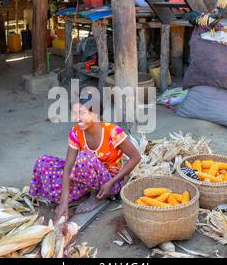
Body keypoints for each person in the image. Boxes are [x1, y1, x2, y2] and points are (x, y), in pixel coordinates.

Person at [29, 93, 142, 223]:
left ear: (95, 114)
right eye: (74, 113)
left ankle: (95, 198)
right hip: (86, 176)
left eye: (82, 113)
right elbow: (68, 167)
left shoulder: (112, 132)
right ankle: (78, 195)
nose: (77, 118)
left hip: (109, 181)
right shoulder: (76, 132)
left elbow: (135, 157)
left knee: (84, 158)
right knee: (43, 162)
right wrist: (63, 203)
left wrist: (111, 182)